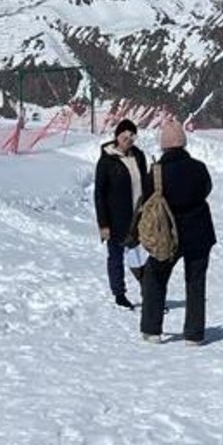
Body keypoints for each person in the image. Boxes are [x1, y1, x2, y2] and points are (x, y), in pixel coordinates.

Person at [139, 119, 216, 345]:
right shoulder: (199, 167)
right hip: (199, 232)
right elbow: (206, 189)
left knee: (155, 277)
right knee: (195, 281)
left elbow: (146, 199)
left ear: (163, 145)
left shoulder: (156, 172)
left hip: (166, 235)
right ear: (183, 143)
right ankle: (194, 334)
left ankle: (152, 329)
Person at [94, 118, 150, 309]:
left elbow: (146, 182)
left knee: (142, 257)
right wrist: (103, 224)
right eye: (124, 135)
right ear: (117, 136)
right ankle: (119, 294)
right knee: (116, 256)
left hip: (140, 216)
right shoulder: (106, 161)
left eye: (132, 136)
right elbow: (99, 194)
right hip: (116, 218)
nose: (128, 139)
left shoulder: (138, 156)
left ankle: (149, 294)